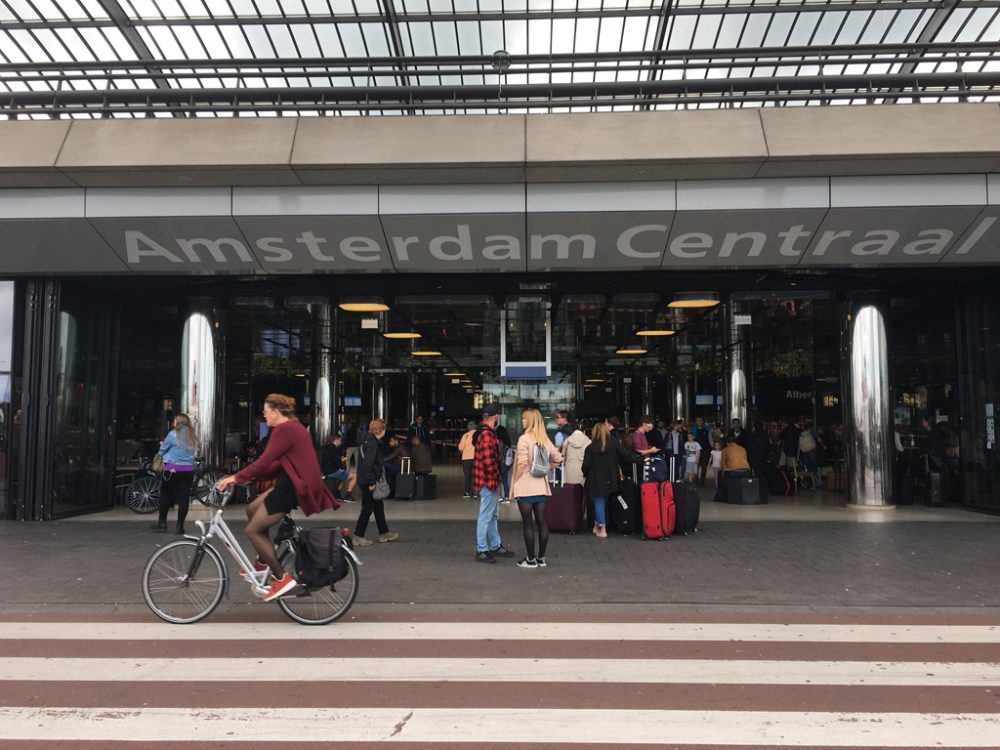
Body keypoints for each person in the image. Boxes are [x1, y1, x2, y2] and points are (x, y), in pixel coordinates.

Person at [217, 394, 338, 603]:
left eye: (266, 412)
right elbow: (278, 465)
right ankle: (264, 560)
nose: (264, 417)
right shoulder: (292, 428)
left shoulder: (285, 430)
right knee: (252, 509)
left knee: (252, 530)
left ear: (276, 411)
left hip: (294, 487)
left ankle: (281, 578)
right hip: (291, 483)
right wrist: (252, 477)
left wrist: (235, 477)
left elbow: (265, 461)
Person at [510, 408, 562, 569]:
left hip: (525, 486)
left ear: (530, 421)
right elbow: (558, 458)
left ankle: (530, 559)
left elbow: (521, 463)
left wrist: (516, 480)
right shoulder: (544, 438)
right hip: (541, 486)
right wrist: (548, 468)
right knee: (542, 521)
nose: (522, 421)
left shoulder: (524, 439)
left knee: (527, 523)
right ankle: (541, 558)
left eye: (524, 419)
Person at [582, 421, 641, 538]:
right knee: (603, 502)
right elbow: (627, 455)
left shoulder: (590, 447)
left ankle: (602, 529)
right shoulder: (614, 444)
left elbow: (586, 466)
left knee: (599, 502)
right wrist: (641, 459)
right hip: (611, 478)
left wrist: (585, 474)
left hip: (595, 479)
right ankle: (596, 525)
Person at [471, 404, 513, 563]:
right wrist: (497, 477)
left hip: (485, 480)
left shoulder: (481, 433)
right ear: (496, 416)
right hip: (488, 481)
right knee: (486, 515)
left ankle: (495, 545)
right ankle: (482, 549)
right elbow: (489, 462)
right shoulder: (488, 435)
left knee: (492, 514)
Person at [353, 418, 398, 548]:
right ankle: (358, 536)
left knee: (378, 506)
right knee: (367, 508)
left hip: (364, 479)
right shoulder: (372, 443)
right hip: (368, 481)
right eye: (385, 429)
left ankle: (384, 533)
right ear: (381, 430)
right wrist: (371, 482)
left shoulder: (365, 440)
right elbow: (368, 464)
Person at [150, 414, 198, 535]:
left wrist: (161, 453)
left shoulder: (173, 434)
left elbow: (163, 449)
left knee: (165, 494)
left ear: (177, 422)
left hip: (172, 469)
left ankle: (162, 523)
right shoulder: (192, 435)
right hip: (188, 470)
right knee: (183, 498)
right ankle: (180, 526)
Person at [320, 433, 357, 503]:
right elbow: (337, 461)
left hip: (325, 472)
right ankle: (348, 495)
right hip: (332, 472)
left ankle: (337, 493)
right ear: (336, 440)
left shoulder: (325, 448)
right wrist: (343, 467)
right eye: (340, 440)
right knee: (354, 476)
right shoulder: (334, 449)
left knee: (343, 477)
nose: (340, 442)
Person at [560, 419, 591, 486]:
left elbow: (563, 455)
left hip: (569, 471)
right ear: (584, 430)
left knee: (570, 492)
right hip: (582, 471)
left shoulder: (568, 440)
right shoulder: (588, 441)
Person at [798, 419, 823, 489]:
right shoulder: (813, 431)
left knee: (809, 468)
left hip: (805, 452)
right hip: (812, 451)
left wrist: (798, 454)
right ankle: (815, 483)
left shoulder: (803, 433)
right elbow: (819, 439)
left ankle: (810, 483)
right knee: (815, 467)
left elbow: (799, 445)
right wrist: (823, 445)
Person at [458, 420, 477, 498]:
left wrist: (464, 451)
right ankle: (476, 492)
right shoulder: (479, 435)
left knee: (467, 475)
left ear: (468, 427)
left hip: (466, 459)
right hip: (476, 458)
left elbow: (460, 447)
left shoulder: (465, 435)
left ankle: (467, 492)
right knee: (476, 475)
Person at [692, 416, 713, 487]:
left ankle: (702, 481)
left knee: (704, 466)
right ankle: (696, 480)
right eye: (697, 420)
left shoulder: (706, 429)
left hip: (705, 450)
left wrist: (712, 447)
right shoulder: (693, 430)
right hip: (695, 451)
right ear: (696, 422)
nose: (699, 421)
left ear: (702, 421)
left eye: (700, 420)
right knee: (695, 466)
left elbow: (710, 439)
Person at [495, 422, 513, 500]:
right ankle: (506, 496)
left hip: (500, 462)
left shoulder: (498, 441)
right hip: (507, 463)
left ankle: (498, 496)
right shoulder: (507, 440)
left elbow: (498, 453)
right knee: (505, 481)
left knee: (498, 481)